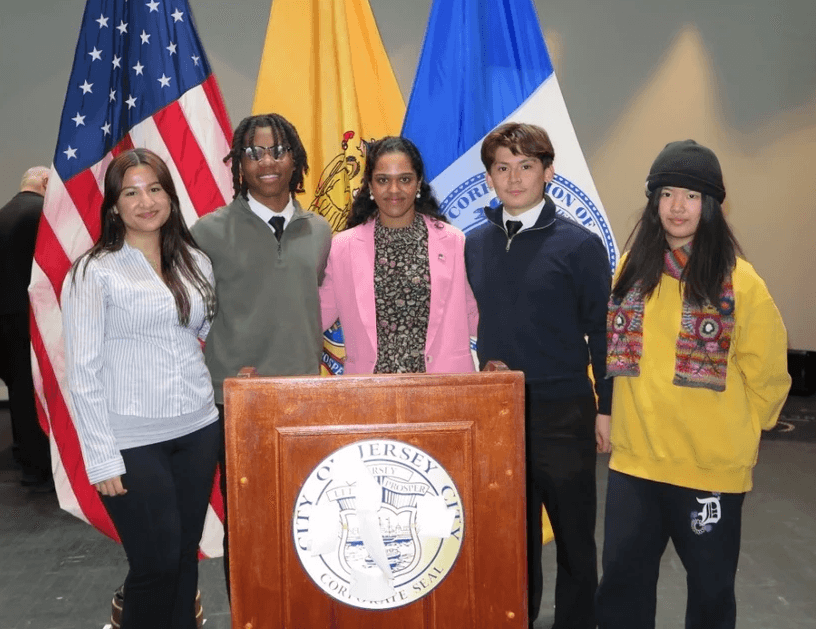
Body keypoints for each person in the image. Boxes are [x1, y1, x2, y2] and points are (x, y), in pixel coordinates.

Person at [595, 140, 791, 629]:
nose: (677, 207)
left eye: (692, 195)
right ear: (653, 201)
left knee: (709, 593)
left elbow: (769, 374)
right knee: (621, 586)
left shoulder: (740, 283)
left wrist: (744, 432)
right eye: (666, 194)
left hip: (709, 470)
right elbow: (610, 351)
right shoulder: (631, 271)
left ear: (711, 207)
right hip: (635, 464)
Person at [61, 148, 220, 628]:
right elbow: (82, 371)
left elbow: (202, 334)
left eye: (154, 189)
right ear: (114, 206)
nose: (145, 201)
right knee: (154, 565)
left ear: (170, 196)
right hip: (132, 440)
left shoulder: (196, 261)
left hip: (198, 429)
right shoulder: (95, 271)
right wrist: (101, 456)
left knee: (183, 558)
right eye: (130, 192)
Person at [464, 123, 611, 629]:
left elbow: (601, 331)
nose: (514, 178)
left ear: (548, 172)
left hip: (564, 411)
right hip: (499, 414)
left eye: (526, 165)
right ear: (488, 177)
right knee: (512, 538)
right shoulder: (475, 244)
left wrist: (607, 408)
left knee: (574, 537)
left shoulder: (580, 245)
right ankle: (516, 619)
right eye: (502, 167)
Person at [190, 113, 332, 596]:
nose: (266, 162)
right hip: (239, 404)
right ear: (238, 164)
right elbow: (191, 315)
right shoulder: (206, 232)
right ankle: (251, 614)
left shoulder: (320, 229)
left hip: (305, 402)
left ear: (295, 158)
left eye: (277, 150)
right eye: (253, 153)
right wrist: (229, 368)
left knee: (310, 518)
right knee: (248, 523)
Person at [319, 136, 477, 374]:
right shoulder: (343, 247)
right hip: (371, 394)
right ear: (370, 186)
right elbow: (314, 318)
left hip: (443, 390)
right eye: (383, 180)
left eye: (404, 179)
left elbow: (473, 314)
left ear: (418, 183)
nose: (394, 190)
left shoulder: (453, 241)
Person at [0, 166, 53, 492]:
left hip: (4, 321)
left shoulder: (5, 213)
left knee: (18, 396)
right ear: (46, 183)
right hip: (24, 320)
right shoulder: (38, 215)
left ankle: (25, 457)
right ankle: (37, 469)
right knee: (31, 396)